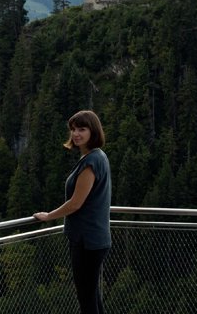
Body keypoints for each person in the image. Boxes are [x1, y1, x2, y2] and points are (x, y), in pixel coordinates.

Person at [34, 110, 112, 314]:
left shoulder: (91, 162)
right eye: (74, 129)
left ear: (93, 131)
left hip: (88, 240)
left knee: (86, 299)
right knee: (92, 296)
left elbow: (76, 203)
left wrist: (49, 216)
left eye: (82, 129)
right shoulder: (97, 157)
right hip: (94, 238)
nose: (76, 134)